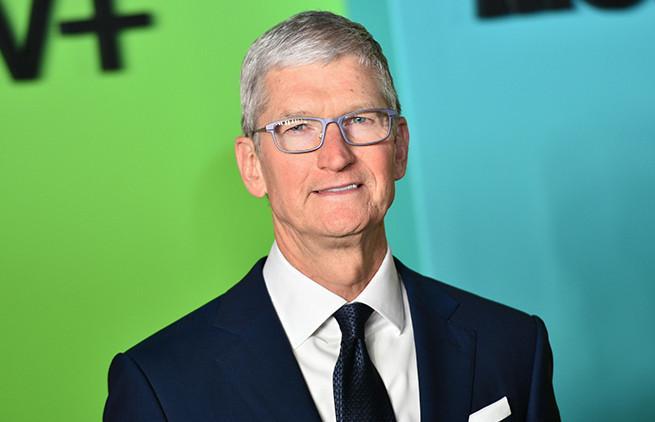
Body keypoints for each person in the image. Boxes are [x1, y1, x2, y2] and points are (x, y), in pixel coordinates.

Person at [103, 10, 560, 422]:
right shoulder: (160, 386)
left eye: (360, 120)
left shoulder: (513, 346)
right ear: (252, 166)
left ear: (399, 147)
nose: (336, 157)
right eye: (298, 128)